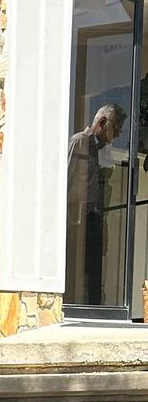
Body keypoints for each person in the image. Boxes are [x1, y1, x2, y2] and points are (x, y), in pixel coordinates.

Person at [66, 101, 127, 306]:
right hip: (77, 220)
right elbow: (65, 182)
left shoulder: (103, 153)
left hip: (95, 221)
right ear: (102, 122)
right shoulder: (79, 142)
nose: (117, 135)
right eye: (116, 128)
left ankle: (94, 308)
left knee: (95, 275)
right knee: (76, 271)